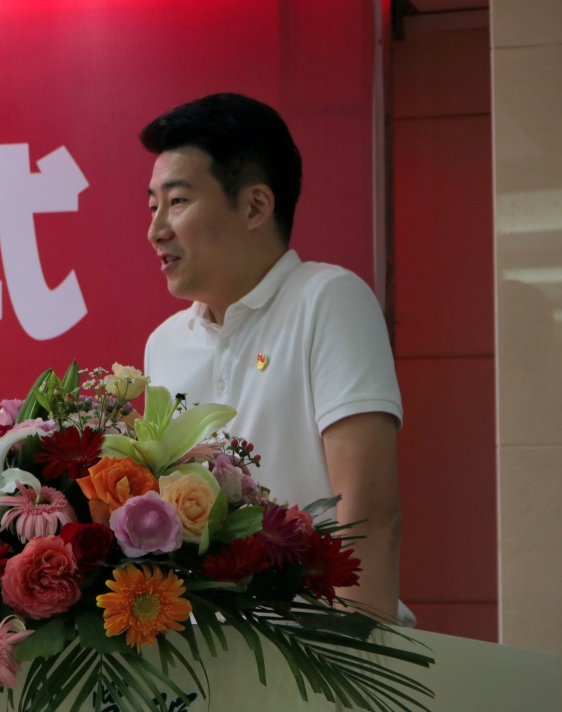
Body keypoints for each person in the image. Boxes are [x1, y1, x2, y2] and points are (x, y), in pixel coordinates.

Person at [139, 93, 406, 621]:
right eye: (153, 207)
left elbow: (369, 514)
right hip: (210, 652)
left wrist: (354, 658)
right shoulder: (163, 344)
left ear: (256, 207)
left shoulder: (327, 299)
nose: (156, 230)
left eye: (177, 201)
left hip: (320, 645)